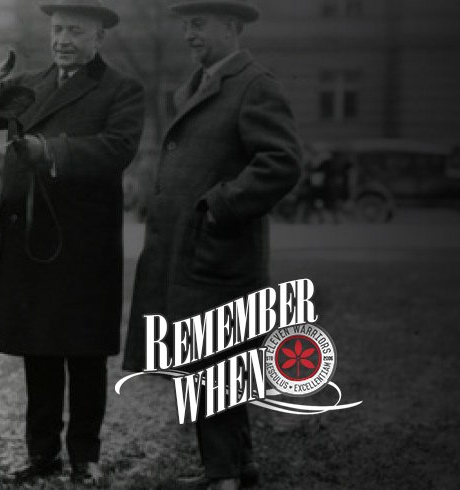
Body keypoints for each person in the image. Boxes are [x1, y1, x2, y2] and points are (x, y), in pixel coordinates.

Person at [122, 1, 303, 489]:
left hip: (219, 249)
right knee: (211, 359)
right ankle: (238, 467)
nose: (188, 35)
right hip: (192, 251)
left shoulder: (254, 85)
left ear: (231, 26)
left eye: (198, 25)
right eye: (185, 25)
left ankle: (222, 475)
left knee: (216, 360)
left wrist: (220, 205)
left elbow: (282, 163)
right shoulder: (202, 84)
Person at [0, 0, 145, 485]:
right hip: (31, 236)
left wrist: (50, 151)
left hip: (84, 243)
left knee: (85, 352)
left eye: (74, 31)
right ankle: (42, 454)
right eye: (57, 30)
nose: (62, 40)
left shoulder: (121, 90)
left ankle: (84, 455)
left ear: (99, 38)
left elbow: (117, 149)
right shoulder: (29, 87)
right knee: (39, 349)